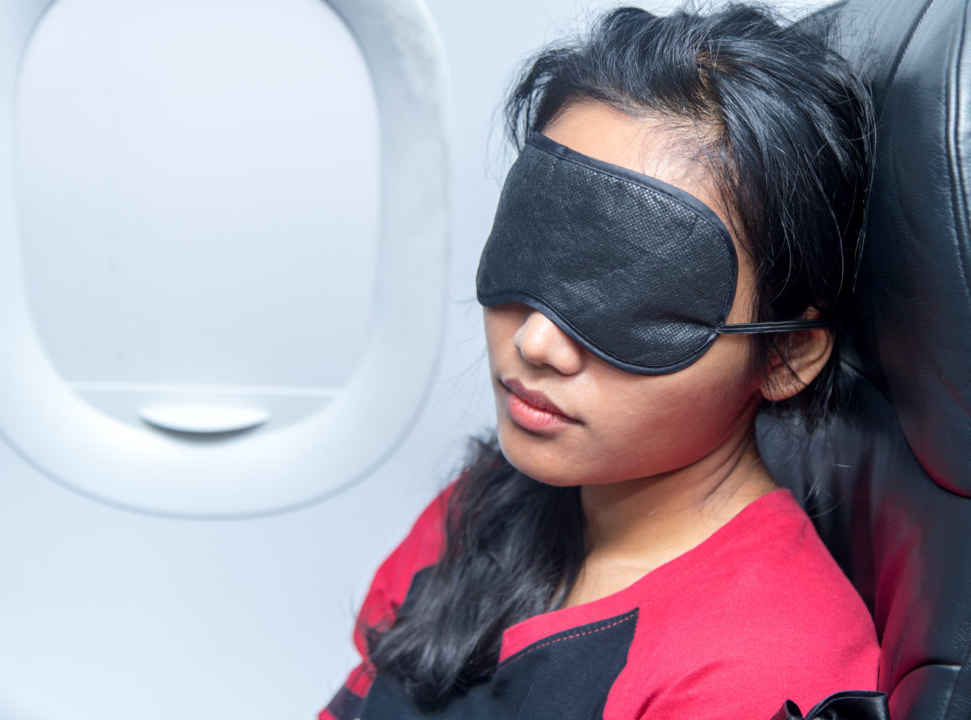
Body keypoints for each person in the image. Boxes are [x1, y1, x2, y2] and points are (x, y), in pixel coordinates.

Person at [322, 3, 882, 718]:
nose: (535, 343)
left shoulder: (757, 670)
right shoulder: (486, 505)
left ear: (786, 355)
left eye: (629, 295)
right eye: (531, 250)